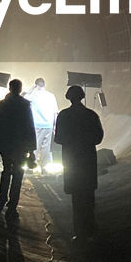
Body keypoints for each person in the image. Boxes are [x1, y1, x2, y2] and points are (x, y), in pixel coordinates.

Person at [53, 85, 104, 239]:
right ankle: (90, 229)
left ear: (69, 97)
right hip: (87, 159)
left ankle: (78, 230)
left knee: (76, 197)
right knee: (88, 195)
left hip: (71, 159)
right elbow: (99, 137)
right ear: (82, 97)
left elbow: (58, 138)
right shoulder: (91, 115)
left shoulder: (63, 115)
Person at [0, 78, 36, 219]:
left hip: (6, 145)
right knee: (18, 175)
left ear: (9, 88)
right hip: (20, 146)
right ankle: (12, 206)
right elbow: (30, 127)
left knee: (6, 171)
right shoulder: (25, 106)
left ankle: (1, 199)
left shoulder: (0, 105)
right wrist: (32, 149)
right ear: (20, 89)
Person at [25, 76, 59, 170]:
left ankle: (33, 165)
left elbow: (24, 98)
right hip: (49, 125)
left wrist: (32, 88)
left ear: (36, 85)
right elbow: (55, 112)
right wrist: (55, 125)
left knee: (36, 145)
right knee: (46, 148)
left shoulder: (34, 95)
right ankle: (45, 166)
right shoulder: (51, 95)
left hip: (37, 124)